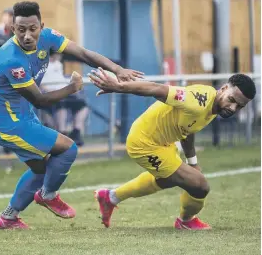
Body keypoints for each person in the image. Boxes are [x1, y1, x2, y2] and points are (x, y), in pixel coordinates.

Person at [0, 1, 143, 230]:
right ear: (12, 30)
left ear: (42, 26)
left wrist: (117, 70)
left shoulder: (49, 37)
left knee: (41, 169)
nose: (27, 35)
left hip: (21, 116)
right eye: (21, 30)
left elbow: (84, 54)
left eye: (32, 29)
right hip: (5, 123)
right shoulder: (11, 59)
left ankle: (8, 218)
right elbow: (39, 100)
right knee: (68, 148)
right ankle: (48, 195)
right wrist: (72, 87)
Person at [89, 68, 256, 230]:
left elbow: (188, 129)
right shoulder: (198, 101)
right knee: (200, 185)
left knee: (169, 179)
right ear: (224, 88)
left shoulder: (214, 106)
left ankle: (110, 197)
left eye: (240, 106)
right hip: (144, 143)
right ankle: (186, 221)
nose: (233, 108)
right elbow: (156, 89)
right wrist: (119, 87)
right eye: (232, 100)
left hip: (164, 143)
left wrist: (193, 162)